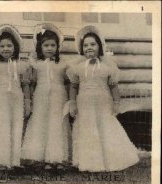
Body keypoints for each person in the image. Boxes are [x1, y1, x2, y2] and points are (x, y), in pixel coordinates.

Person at [67, 25, 139, 172]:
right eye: (85, 45)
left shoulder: (107, 66)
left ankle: (111, 160)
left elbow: (113, 86)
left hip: (103, 103)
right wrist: (72, 103)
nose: (89, 48)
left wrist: (117, 102)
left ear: (100, 46)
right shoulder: (78, 67)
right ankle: (90, 162)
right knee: (88, 130)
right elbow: (74, 87)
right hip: (85, 104)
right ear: (81, 49)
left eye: (93, 44)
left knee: (106, 129)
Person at [21, 23, 71, 170]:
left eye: (53, 45)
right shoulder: (36, 65)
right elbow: (31, 83)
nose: (49, 48)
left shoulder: (63, 64)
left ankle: (58, 158)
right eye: (46, 45)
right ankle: (41, 158)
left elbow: (68, 83)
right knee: (41, 124)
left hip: (58, 97)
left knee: (57, 124)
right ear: (40, 47)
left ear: (57, 47)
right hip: (41, 96)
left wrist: (69, 100)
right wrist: (29, 100)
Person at [0, 24, 31, 171]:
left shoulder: (21, 65)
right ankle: (1, 161)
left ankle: (14, 161)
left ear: (15, 47)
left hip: (17, 98)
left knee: (16, 126)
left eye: (9, 46)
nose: (6, 49)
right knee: (1, 127)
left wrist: (27, 102)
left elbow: (25, 85)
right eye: (2, 46)